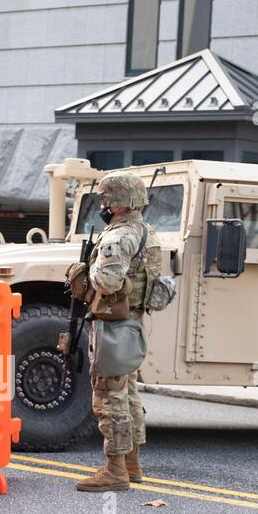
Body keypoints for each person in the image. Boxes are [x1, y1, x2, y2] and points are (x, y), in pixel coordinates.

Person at [70, 172, 161, 492]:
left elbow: (107, 281)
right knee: (129, 395)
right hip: (132, 323)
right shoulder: (147, 234)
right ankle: (132, 464)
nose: (103, 205)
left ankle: (115, 470)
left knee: (109, 398)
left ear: (118, 202)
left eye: (106, 199)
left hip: (112, 325)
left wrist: (86, 272)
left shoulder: (118, 236)